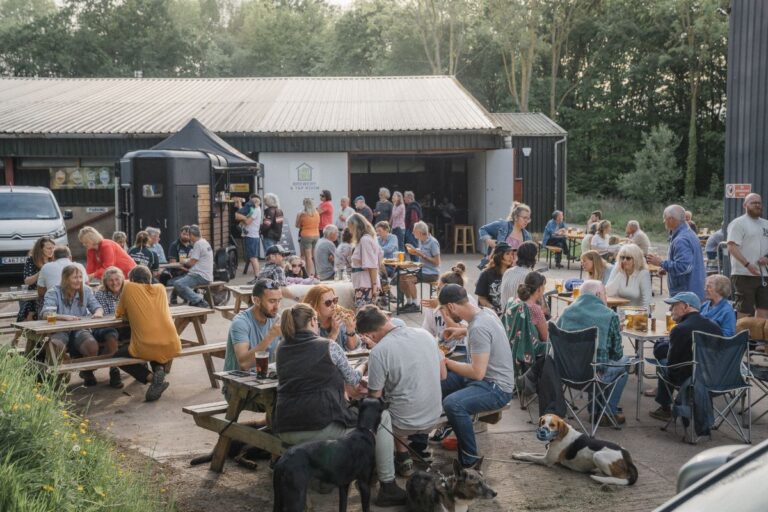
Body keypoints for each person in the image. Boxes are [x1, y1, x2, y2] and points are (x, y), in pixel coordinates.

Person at [272, 303, 406, 507]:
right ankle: (387, 483)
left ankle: (332, 474)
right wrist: (364, 364)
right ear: (313, 322)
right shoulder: (329, 346)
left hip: (285, 427)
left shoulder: (281, 348)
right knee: (382, 418)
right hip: (319, 426)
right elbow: (352, 379)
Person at [357, 305, 445, 477]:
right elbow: (442, 375)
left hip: (404, 423)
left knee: (374, 409)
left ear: (370, 335)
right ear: (386, 319)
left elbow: (375, 398)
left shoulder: (379, 352)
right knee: (401, 397)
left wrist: (364, 383)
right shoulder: (425, 334)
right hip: (433, 416)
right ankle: (404, 457)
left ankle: (384, 467)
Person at [437, 284, 515, 468]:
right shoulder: (486, 313)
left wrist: (445, 361)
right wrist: (462, 331)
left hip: (496, 387)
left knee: (453, 403)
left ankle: (469, 461)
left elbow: (477, 373)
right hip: (485, 378)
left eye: (444, 312)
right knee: (439, 381)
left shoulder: (478, 327)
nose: (446, 316)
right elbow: (483, 330)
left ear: (451, 306)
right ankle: (426, 434)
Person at [556, 280, 628, 425]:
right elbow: (617, 354)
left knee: (594, 362)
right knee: (624, 363)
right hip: (594, 376)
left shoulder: (566, 312)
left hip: (566, 373)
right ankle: (608, 413)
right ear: (598, 294)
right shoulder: (609, 316)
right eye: (605, 294)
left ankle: (595, 411)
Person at [649, 292, 722, 423]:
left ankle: (664, 408)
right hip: (717, 379)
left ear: (686, 306)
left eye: (673, 306)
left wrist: (660, 347)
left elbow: (672, 365)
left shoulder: (680, 329)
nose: (670, 310)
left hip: (690, 380)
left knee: (663, 363)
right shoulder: (715, 327)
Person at [113, 265, 182, 402]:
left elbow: (118, 313)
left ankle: (151, 378)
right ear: (150, 279)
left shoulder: (128, 287)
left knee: (117, 357)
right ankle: (158, 370)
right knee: (154, 346)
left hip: (145, 346)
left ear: (131, 279)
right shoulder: (161, 288)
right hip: (172, 344)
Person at [40, 264, 104, 386]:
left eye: (80, 277)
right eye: (75, 277)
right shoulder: (53, 292)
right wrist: (64, 317)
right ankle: (58, 375)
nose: (79, 280)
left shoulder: (86, 290)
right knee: (55, 346)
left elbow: (97, 306)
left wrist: (98, 313)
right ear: (66, 279)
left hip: (79, 329)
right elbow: (46, 313)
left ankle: (87, 372)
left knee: (92, 346)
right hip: (58, 330)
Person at [647, 204, 705, 300]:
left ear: (671, 219)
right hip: (692, 291)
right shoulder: (689, 234)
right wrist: (666, 268)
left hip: (685, 296)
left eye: (664, 218)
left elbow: (684, 267)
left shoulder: (681, 239)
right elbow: (688, 263)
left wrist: (661, 263)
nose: (663, 221)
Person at [224, 278, 283, 372]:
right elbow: (244, 364)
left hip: (264, 380)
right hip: (238, 383)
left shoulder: (276, 319)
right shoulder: (241, 322)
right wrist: (270, 336)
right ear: (256, 300)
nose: (277, 307)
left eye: (279, 301)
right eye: (272, 301)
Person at [726, 193, 768, 318]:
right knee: (744, 311)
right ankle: (742, 337)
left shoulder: (766, 224)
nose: (757, 205)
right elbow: (731, 246)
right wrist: (747, 264)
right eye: (753, 202)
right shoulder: (738, 223)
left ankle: (759, 337)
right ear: (745, 205)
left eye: (759, 202)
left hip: (764, 275)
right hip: (743, 274)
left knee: (764, 310)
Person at [421, 264, 474, 350]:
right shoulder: (433, 304)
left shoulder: (466, 301)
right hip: (442, 349)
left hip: (464, 348)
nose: (438, 294)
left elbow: (458, 334)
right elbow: (426, 333)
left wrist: (440, 306)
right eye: (437, 289)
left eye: (441, 290)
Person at [92, 267, 128, 389]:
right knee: (111, 334)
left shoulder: (127, 291)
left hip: (123, 325)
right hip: (104, 327)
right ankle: (114, 370)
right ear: (105, 282)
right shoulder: (100, 293)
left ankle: (142, 362)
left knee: (140, 330)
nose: (114, 283)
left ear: (122, 279)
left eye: (117, 279)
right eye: (110, 280)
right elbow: (107, 317)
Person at [303, 285, 361, 351]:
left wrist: (350, 331)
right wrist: (333, 333)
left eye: (335, 300)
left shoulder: (339, 318)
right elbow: (316, 353)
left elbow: (353, 349)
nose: (333, 305)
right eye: (328, 302)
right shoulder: (308, 324)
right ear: (314, 305)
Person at [169, 224, 213, 308]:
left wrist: (183, 262)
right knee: (179, 283)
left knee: (178, 284)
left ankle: (198, 300)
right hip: (207, 275)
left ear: (192, 235)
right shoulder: (205, 242)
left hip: (200, 275)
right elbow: (195, 259)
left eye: (189, 235)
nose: (188, 237)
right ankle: (193, 300)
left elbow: (191, 263)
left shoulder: (198, 244)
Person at [401, 221, 441, 312]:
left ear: (419, 232)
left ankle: (415, 305)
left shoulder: (433, 242)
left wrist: (421, 254)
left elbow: (437, 262)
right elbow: (421, 252)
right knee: (401, 277)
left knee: (409, 279)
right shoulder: (421, 240)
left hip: (432, 273)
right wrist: (414, 250)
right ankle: (409, 302)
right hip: (423, 270)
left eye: (414, 231)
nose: (412, 233)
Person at [478, 202, 532, 267]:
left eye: (528, 219)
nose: (526, 221)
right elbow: (483, 229)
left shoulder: (527, 236)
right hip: (497, 268)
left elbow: (528, 257)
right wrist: (489, 241)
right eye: (524, 218)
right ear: (515, 217)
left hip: (514, 271)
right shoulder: (502, 225)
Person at [347, 213, 383, 308]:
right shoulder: (366, 239)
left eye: (350, 227)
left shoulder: (365, 240)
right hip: (363, 283)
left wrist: (374, 286)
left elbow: (372, 265)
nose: (350, 231)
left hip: (366, 284)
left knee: (365, 316)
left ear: (355, 226)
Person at [17, 236, 54, 322]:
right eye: (49, 248)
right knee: (30, 308)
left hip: (50, 294)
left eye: (53, 248)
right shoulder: (31, 260)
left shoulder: (54, 260)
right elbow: (27, 281)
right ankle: (24, 332)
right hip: (34, 294)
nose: (52, 250)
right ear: (40, 249)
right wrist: (42, 270)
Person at [475, 242, 515, 315]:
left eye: (512, 254)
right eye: (507, 254)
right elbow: (481, 298)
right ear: (499, 256)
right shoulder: (486, 274)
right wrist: (493, 309)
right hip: (491, 315)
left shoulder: (513, 273)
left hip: (511, 314)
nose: (511, 257)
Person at [606, 243, 651, 308]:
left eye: (628, 258)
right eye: (622, 257)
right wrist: (620, 273)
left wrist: (643, 316)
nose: (624, 260)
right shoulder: (618, 268)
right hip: (620, 315)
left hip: (637, 315)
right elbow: (608, 293)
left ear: (636, 259)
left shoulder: (643, 273)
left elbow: (647, 301)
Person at [499, 241, 538, 307]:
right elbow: (534, 302)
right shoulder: (529, 276)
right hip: (518, 315)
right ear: (533, 257)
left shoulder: (508, 271)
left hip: (504, 313)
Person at [235, 193, 262, 276]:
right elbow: (245, 216)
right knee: (252, 257)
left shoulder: (256, 210)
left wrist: (241, 218)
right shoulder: (255, 209)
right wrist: (240, 209)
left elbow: (247, 222)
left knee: (253, 258)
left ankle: (257, 276)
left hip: (252, 236)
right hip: (252, 236)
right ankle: (257, 276)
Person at [296, 197, 320, 277]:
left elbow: (297, 225)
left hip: (306, 236)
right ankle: (317, 273)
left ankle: (310, 275)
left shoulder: (303, 214)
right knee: (314, 256)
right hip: (316, 235)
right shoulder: (317, 213)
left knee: (308, 257)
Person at [403, 191, 423, 259]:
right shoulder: (411, 206)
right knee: (411, 249)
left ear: (409, 197)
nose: (404, 199)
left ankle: (416, 265)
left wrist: (412, 231)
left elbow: (414, 220)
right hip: (411, 230)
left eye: (405, 197)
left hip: (412, 231)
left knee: (413, 249)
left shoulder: (413, 207)